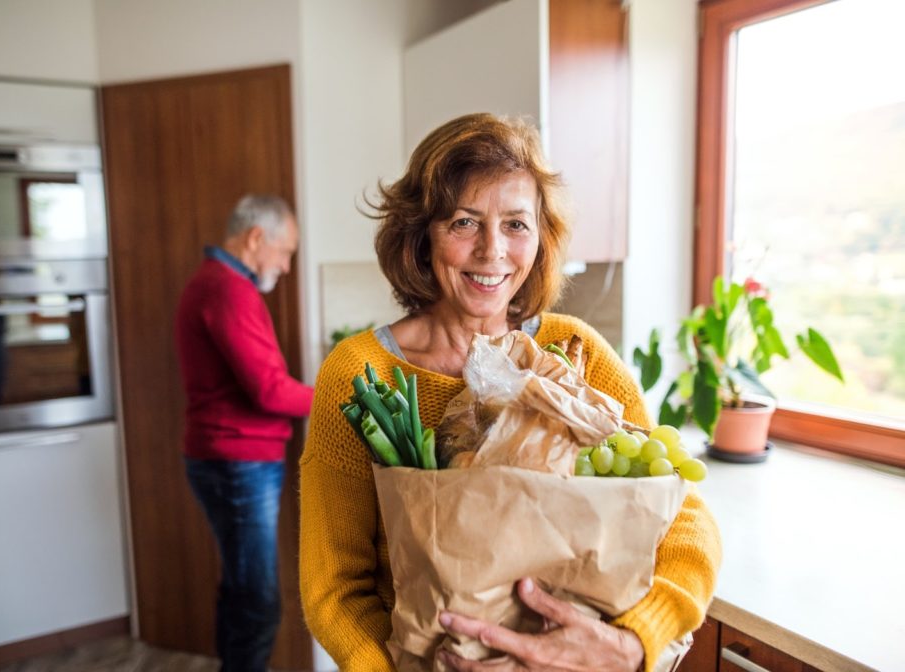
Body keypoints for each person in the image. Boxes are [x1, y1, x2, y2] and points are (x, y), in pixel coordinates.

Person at [298, 114, 721, 672]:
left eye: (516, 225)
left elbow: (686, 520)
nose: (492, 251)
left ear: (540, 238)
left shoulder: (578, 354)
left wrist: (636, 640)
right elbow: (334, 587)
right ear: (422, 235)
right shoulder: (360, 373)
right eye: (465, 222)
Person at [174, 194, 314, 672]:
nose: (287, 265)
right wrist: (338, 395)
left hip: (230, 458)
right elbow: (271, 391)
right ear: (256, 238)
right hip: (238, 463)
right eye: (286, 251)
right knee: (258, 600)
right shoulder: (228, 289)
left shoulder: (218, 284)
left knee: (241, 591)